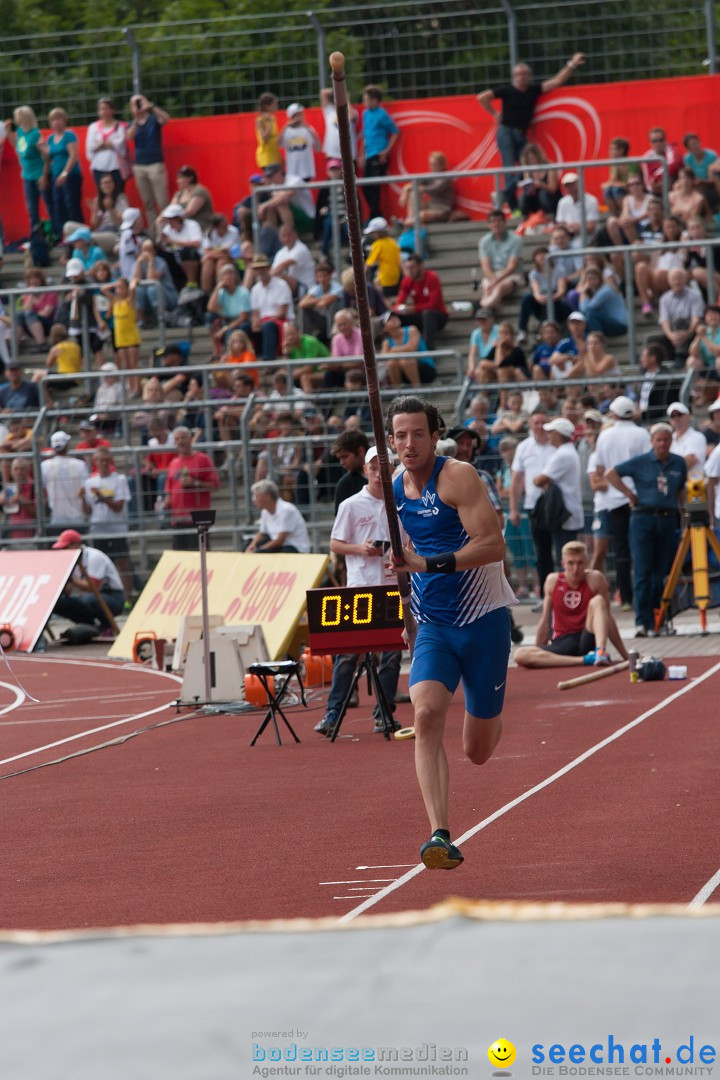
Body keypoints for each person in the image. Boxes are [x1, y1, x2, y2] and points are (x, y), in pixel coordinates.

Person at [387, 395, 515, 869]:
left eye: (418, 433)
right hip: (435, 625)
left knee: (476, 751)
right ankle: (439, 834)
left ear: (434, 435)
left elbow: (493, 545)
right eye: (400, 435)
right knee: (424, 715)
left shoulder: (458, 476)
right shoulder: (394, 488)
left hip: (483, 622)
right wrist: (407, 615)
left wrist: (430, 563)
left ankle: (490, 712)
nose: (409, 443)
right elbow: (405, 559)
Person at [314, 446, 404, 736]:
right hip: (361, 588)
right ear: (365, 470)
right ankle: (332, 713)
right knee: (348, 654)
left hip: (391, 587)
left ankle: (384, 713)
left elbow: (410, 541)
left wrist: (400, 557)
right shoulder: (351, 505)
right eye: (374, 467)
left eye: (385, 467)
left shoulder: (400, 502)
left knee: (392, 655)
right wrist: (361, 550)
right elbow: (335, 544)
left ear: (393, 469)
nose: (379, 473)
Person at [476, 54, 585, 212]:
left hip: (521, 134)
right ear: (514, 77)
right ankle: (513, 205)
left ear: (530, 76)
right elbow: (482, 97)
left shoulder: (533, 90)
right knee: (509, 169)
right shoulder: (507, 90)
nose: (522, 77)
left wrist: (572, 64)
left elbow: (557, 81)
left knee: (529, 165)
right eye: (519, 74)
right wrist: (495, 114)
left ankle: (522, 198)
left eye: (525, 74)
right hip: (506, 132)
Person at [607, 423, 687, 637]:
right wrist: (629, 495)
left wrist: (685, 513)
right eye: (658, 440)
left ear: (671, 441)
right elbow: (612, 473)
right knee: (643, 571)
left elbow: (681, 490)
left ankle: (663, 619)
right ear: (652, 442)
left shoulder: (678, 462)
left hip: (668, 519)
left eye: (666, 440)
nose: (662, 444)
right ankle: (642, 622)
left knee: (664, 573)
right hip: (643, 517)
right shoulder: (641, 462)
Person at [515, 541, 628, 668]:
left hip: (587, 637)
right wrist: (537, 651)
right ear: (563, 564)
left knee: (598, 601)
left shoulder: (596, 579)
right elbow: (545, 621)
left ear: (586, 562)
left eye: (580, 563)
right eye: (571, 563)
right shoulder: (553, 581)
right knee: (520, 655)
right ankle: (585, 660)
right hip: (563, 642)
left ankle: (600, 651)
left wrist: (626, 657)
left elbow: (607, 619)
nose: (575, 569)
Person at [592, 395, 651, 610]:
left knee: (622, 550)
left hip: (615, 499)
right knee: (642, 548)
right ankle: (644, 596)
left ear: (615, 413)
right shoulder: (642, 433)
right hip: (639, 498)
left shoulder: (605, 436)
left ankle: (626, 597)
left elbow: (599, 468)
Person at [509, 409, 556, 599]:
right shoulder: (523, 447)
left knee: (561, 550)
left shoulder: (557, 445)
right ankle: (546, 596)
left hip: (557, 505)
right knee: (541, 551)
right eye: (536, 423)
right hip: (534, 506)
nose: (540, 426)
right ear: (530, 425)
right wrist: (513, 508)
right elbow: (517, 479)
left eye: (543, 422)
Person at [79, 448, 134, 602]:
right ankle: (101, 597)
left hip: (117, 528)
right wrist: (83, 499)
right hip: (98, 529)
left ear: (111, 462)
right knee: (98, 565)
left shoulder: (120, 480)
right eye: (100, 460)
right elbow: (88, 511)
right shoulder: (90, 482)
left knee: (123, 564)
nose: (103, 463)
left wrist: (101, 496)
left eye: (106, 460)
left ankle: (128, 599)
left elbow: (118, 506)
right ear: (95, 462)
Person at [51, 529, 125, 637]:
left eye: (65, 547)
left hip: (113, 596)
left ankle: (106, 626)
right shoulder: (72, 559)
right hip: (93, 596)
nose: (63, 550)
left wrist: (70, 579)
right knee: (60, 603)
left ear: (76, 545)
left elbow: (92, 586)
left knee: (87, 599)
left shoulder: (93, 556)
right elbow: (67, 591)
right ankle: (90, 626)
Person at [532, 417, 584, 564]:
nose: (548, 435)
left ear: (559, 434)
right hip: (566, 513)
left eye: (551, 432)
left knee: (566, 559)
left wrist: (543, 483)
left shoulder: (563, 454)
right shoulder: (568, 452)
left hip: (564, 515)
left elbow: (538, 480)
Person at [161, 426, 220, 550]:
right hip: (178, 517)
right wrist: (165, 502)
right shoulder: (173, 462)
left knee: (202, 556)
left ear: (190, 439)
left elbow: (215, 485)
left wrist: (196, 483)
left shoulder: (203, 459)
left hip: (200, 515)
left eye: (183, 438)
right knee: (180, 556)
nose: (180, 442)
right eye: (177, 439)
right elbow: (169, 490)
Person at [126, 94, 170, 228]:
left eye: (139, 102)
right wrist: (136, 117)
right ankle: (153, 231)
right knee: (148, 203)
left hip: (156, 164)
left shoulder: (153, 119)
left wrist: (150, 106)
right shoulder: (132, 124)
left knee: (162, 201)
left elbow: (166, 119)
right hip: (140, 166)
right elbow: (129, 136)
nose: (138, 105)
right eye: (135, 103)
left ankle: (166, 230)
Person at [359, 85, 399, 221]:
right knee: (366, 186)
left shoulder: (381, 114)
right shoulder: (365, 114)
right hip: (369, 154)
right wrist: (361, 153)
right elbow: (366, 135)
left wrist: (386, 151)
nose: (365, 102)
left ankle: (375, 217)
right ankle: (376, 215)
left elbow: (395, 132)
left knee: (374, 187)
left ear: (375, 100)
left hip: (379, 154)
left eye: (367, 99)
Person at [393, 253, 448, 350]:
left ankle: (428, 350)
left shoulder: (432, 277)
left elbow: (433, 304)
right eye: (407, 268)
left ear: (421, 266)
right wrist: (401, 309)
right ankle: (398, 346)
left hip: (438, 316)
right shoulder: (407, 281)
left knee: (428, 314)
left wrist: (413, 308)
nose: (410, 271)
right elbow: (398, 303)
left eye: (412, 267)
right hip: (420, 316)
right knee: (394, 316)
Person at [44, 107, 83, 238]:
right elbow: (49, 158)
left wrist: (65, 173)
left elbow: (73, 155)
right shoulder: (50, 138)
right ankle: (64, 236)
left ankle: (79, 235)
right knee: (59, 206)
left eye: (59, 119)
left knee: (71, 205)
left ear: (65, 120)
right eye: (53, 120)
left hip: (71, 176)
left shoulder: (69, 135)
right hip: (55, 177)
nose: (56, 122)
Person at [40, 430, 88, 534]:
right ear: (67, 445)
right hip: (77, 519)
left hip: (56, 520)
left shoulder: (44, 466)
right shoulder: (80, 465)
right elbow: (84, 491)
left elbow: (42, 491)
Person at [249, 253, 293, 361]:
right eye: (257, 268)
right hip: (264, 322)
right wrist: (255, 322)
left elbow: (282, 313)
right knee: (245, 327)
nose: (260, 271)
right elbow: (255, 314)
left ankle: (268, 360)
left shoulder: (281, 285)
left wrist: (262, 322)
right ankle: (249, 360)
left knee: (268, 326)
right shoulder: (255, 289)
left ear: (268, 268)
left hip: (280, 322)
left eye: (262, 268)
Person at [246, 479, 310, 553]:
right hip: (279, 545)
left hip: (295, 547)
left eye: (257, 496)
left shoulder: (286, 510)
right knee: (248, 545)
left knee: (263, 552)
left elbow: (280, 540)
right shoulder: (265, 511)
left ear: (267, 496)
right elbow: (262, 533)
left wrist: (259, 550)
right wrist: (252, 545)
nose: (254, 500)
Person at [477, 209, 524, 311]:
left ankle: (483, 308)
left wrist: (495, 282)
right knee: (487, 286)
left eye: (499, 221)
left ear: (504, 222)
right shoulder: (483, 241)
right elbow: (485, 267)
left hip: (512, 275)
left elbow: (512, 267)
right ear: (489, 224)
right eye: (493, 221)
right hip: (493, 275)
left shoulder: (516, 239)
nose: (496, 224)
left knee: (499, 287)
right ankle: (488, 309)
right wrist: (494, 280)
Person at [380, 310, 435, 387]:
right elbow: (383, 357)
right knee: (391, 363)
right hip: (403, 373)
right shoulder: (387, 342)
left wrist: (394, 350)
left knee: (406, 361)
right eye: (389, 319)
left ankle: (418, 390)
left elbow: (411, 348)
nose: (394, 319)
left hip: (425, 370)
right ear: (384, 328)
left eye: (394, 316)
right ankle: (397, 392)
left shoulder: (411, 330)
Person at [85, 97, 128, 191]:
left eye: (107, 108)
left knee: (118, 193)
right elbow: (90, 147)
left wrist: (100, 145)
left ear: (113, 110)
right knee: (102, 195)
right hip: (98, 167)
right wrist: (109, 144)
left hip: (116, 167)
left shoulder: (120, 127)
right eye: (101, 109)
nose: (104, 112)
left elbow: (120, 145)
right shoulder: (93, 127)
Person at [666, 401, 707, 480]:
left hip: (693, 487)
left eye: (679, 414)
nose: (676, 418)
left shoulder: (697, 437)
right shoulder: (670, 438)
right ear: (670, 420)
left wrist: (665, 464)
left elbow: (688, 462)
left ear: (688, 416)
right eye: (672, 416)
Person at [555, 172, 600, 241]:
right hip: (567, 238)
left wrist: (571, 227)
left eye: (573, 184)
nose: (571, 188)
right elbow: (560, 224)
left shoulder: (591, 200)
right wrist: (573, 227)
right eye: (568, 185)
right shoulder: (562, 202)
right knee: (554, 248)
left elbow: (591, 227)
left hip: (586, 238)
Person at [641, 128, 683, 196]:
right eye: (654, 141)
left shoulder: (672, 149)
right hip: (655, 191)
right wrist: (653, 187)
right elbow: (647, 181)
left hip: (674, 187)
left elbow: (674, 163)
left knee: (670, 178)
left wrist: (656, 177)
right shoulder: (646, 157)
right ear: (650, 143)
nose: (658, 143)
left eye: (660, 140)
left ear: (665, 140)